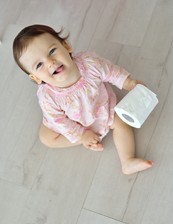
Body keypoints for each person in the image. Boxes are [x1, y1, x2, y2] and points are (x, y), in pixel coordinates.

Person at [13, 24, 153, 175]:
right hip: (73, 122)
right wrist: (82, 135)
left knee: (122, 122)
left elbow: (111, 72)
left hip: (103, 109)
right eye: (39, 64)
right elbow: (60, 121)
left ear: (66, 46)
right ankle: (86, 140)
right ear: (36, 78)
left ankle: (127, 160)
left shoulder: (90, 63)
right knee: (46, 138)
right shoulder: (47, 98)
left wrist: (129, 82)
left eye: (52, 51)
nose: (50, 62)